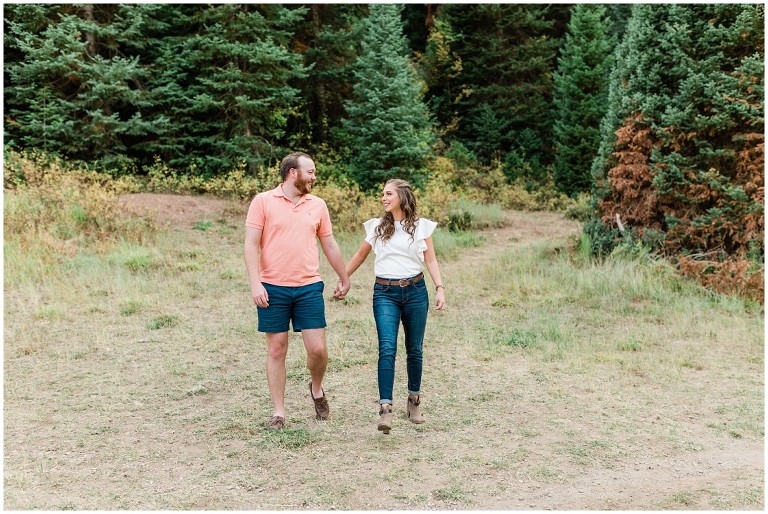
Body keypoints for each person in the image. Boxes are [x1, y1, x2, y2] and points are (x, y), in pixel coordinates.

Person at [244, 152, 350, 430]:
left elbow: (329, 244)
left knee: (317, 349)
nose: (315, 177)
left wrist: (344, 276)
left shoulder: (318, 205)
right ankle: (279, 413)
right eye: (311, 172)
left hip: (308, 287)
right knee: (277, 350)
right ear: (293, 173)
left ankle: (316, 388)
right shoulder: (263, 201)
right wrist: (256, 283)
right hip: (273, 288)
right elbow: (250, 244)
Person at [341, 179, 446, 434]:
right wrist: (343, 278)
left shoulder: (421, 227)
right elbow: (359, 255)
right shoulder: (377, 227)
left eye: (388, 194)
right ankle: (385, 409)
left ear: (402, 196)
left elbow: (430, 259)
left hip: (416, 291)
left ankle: (414, 401)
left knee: (415, 350)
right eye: (382, 194)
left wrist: (439, 287)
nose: (383, 198)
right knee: (387, 348)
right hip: (384, 293)